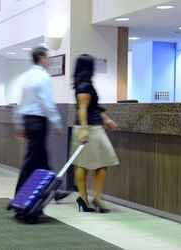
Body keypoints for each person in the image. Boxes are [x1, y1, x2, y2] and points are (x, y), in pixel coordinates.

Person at [12, 47, 69, 201]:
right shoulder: (43, 77)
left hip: (28, 120)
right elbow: (46, 101)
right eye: (48, 57)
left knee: (42, 158)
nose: (49, 60)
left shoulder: (26, 76)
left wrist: (19, 124)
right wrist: (57, 121)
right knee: (32, 160)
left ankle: (53, 191)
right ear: (42, 58)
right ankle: (19, 196)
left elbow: (20, 102)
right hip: (38, 121)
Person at [71, 54, 120, 213]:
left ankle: (84, 198)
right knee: (100, 163)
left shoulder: (82, 84)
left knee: (83, 164)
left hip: (88, 127)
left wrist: (106, 119)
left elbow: (94, 106)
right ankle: (94, 198)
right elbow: (83, 108)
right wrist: (84, 129)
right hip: (90, 128)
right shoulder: (85, 86)